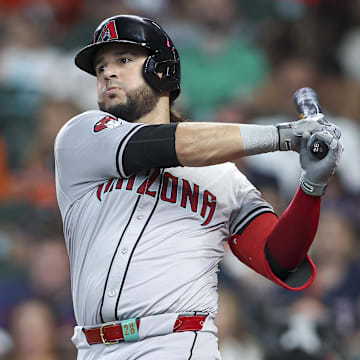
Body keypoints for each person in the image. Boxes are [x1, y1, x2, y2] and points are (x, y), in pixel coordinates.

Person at [54, 15, 343, 360]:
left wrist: (312, 186)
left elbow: (279, 259)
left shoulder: (223, 176)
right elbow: (175, 145)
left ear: (162, 70)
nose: (107, 73)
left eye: (124, 60)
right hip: (93, 348)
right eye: (100, 67)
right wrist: (283, 136)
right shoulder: (82, 136)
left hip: (178, 343)